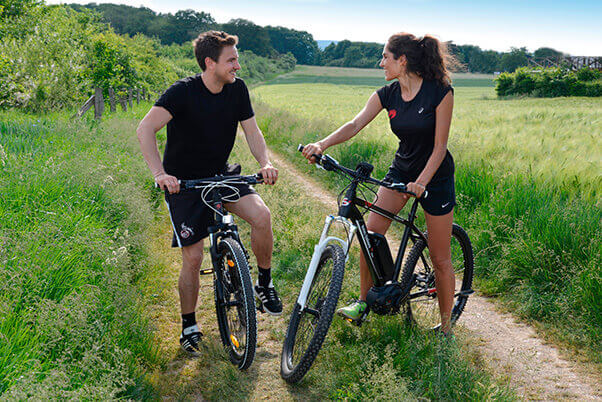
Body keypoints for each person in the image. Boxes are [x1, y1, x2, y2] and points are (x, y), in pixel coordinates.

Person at [137, 30, 283, 355]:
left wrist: (266, 162)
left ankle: (263, 284)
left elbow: (252, 131)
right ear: (209, 63)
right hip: (185, 184)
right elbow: (145, 129)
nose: (238, 66)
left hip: (221, 175)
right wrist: (160, 174)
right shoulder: (182, 92)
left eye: (236, 59)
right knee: (193, 257)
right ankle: (189, 325)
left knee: (262, 216)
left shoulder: (237, 90)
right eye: (231, 60)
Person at [302, 32, 457, 335]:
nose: (381, 62)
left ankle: (447, 326)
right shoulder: (388, 93)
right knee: (370, 236)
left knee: (440, 258)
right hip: (402, 170)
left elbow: (439, 147)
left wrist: (422, 182)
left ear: (403, 60)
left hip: (434, 177)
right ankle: (363, 302)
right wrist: (322, 144)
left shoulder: (440, 92)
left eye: (385, 56)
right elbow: (355, 124)